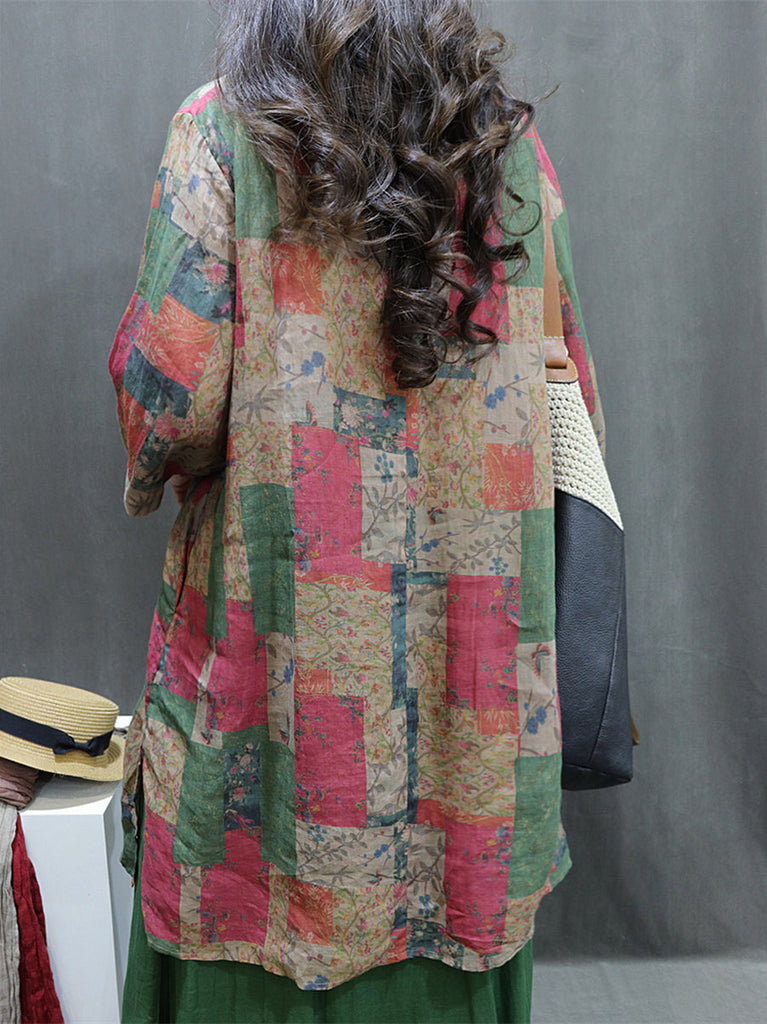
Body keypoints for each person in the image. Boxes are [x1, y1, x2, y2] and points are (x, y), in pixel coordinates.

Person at [109, 1, 606, 1020]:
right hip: (471, 709)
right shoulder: (506, 151)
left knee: (250, 890)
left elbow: (171, 405)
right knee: (460, 895)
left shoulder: (222, 135)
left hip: (275, 706)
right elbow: (569, 401)